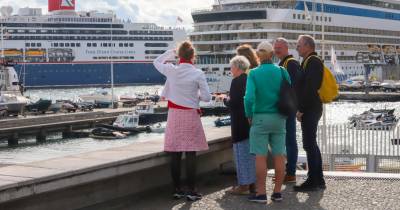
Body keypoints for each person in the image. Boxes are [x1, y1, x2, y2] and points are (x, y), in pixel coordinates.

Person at [153, 41, 212, 201]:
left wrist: (170, 54)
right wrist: (196, 96)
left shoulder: (172, 71)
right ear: (193, 56)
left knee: (175, 153)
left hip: (174, 115)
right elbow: (207, 97)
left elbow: (156, 62)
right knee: (191, 152)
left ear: (180, 56)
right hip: (190, 115)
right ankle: (192, 190)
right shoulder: (198, 73)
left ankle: (177, 189)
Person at [245, 41, 290, 203]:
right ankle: (277, 192)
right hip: (279, 118)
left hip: (260, 118)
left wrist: (249, 114)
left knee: (260, 156)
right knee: (279, 155)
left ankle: (261, 194)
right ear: (272, 54)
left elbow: (249, 98)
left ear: (258, 55)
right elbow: (289, 92)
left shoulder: (253, 73)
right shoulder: (282, 71)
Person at [294, 35, 326, 192]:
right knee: (310, 143)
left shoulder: (313, 61)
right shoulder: (308, 61)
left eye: (299, 45)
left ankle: (313, 180)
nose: (297, 48)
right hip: (312, 107)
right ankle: (318, 179)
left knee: (309, 144)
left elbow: (310, 88)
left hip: (311, 108)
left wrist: (301, 109)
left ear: (308, 46)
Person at [224, 55, 256, 195]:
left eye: (231, 67)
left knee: (240, 155)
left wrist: (225, 100)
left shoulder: (236, 81)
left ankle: (243, 186)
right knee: (251, 155)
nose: (231, 70)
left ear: (237, 67)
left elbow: (234, 102)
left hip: (239, 123)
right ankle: (253, 184)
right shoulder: (249, 79)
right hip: (250, 122)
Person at [274, 37, 301, 183]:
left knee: (290, 140)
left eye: (280, 47)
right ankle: (286, 172)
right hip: (284, 108)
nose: (277, 50)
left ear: (286, 48)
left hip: (288, 109)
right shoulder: (282, 63)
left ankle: (291, 173)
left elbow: (296, 86)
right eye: (275, 47)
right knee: (285, 140)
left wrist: (296, 107)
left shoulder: (290, 63)